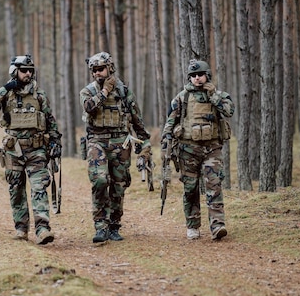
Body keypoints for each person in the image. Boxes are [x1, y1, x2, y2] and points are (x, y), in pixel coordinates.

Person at [0, 54, 61, 245]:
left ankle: (42, 229)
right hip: (13, 150)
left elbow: (50, 120)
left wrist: (55, 142)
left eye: (30, 71)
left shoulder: (39, 95)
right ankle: (21, 228)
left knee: (39, 188)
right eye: (23, 70)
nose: (27, 74)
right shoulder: (7, 94)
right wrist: (5, 88)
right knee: (16, 189)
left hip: (36, 150)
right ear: (14, 71)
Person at [80, 52, 152, 243]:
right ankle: (100, 226)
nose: (97, 73)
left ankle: (114, 225)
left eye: (101, 69)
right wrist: (104, 92)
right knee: (100, 180)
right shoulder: (88, 91)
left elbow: (137, 120)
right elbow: (88, 107)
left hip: (121, 142)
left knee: (119, 185)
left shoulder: (123, 92)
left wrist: (145, 144)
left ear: (109, 68)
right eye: (94, 70)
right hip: (97, 141)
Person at [162, 59, 234, 241]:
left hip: (212, 148)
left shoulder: (218, 95)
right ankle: (193, 225)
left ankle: (218, 225)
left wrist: (213, 96)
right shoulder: (182, 97)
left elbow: (229, 111)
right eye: (193, 76)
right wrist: (166, 141)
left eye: (200, 75)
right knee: (190, 188)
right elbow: (171, 121)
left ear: (207, 75)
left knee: (214, 185)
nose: (197, 78)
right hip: (188, 149)